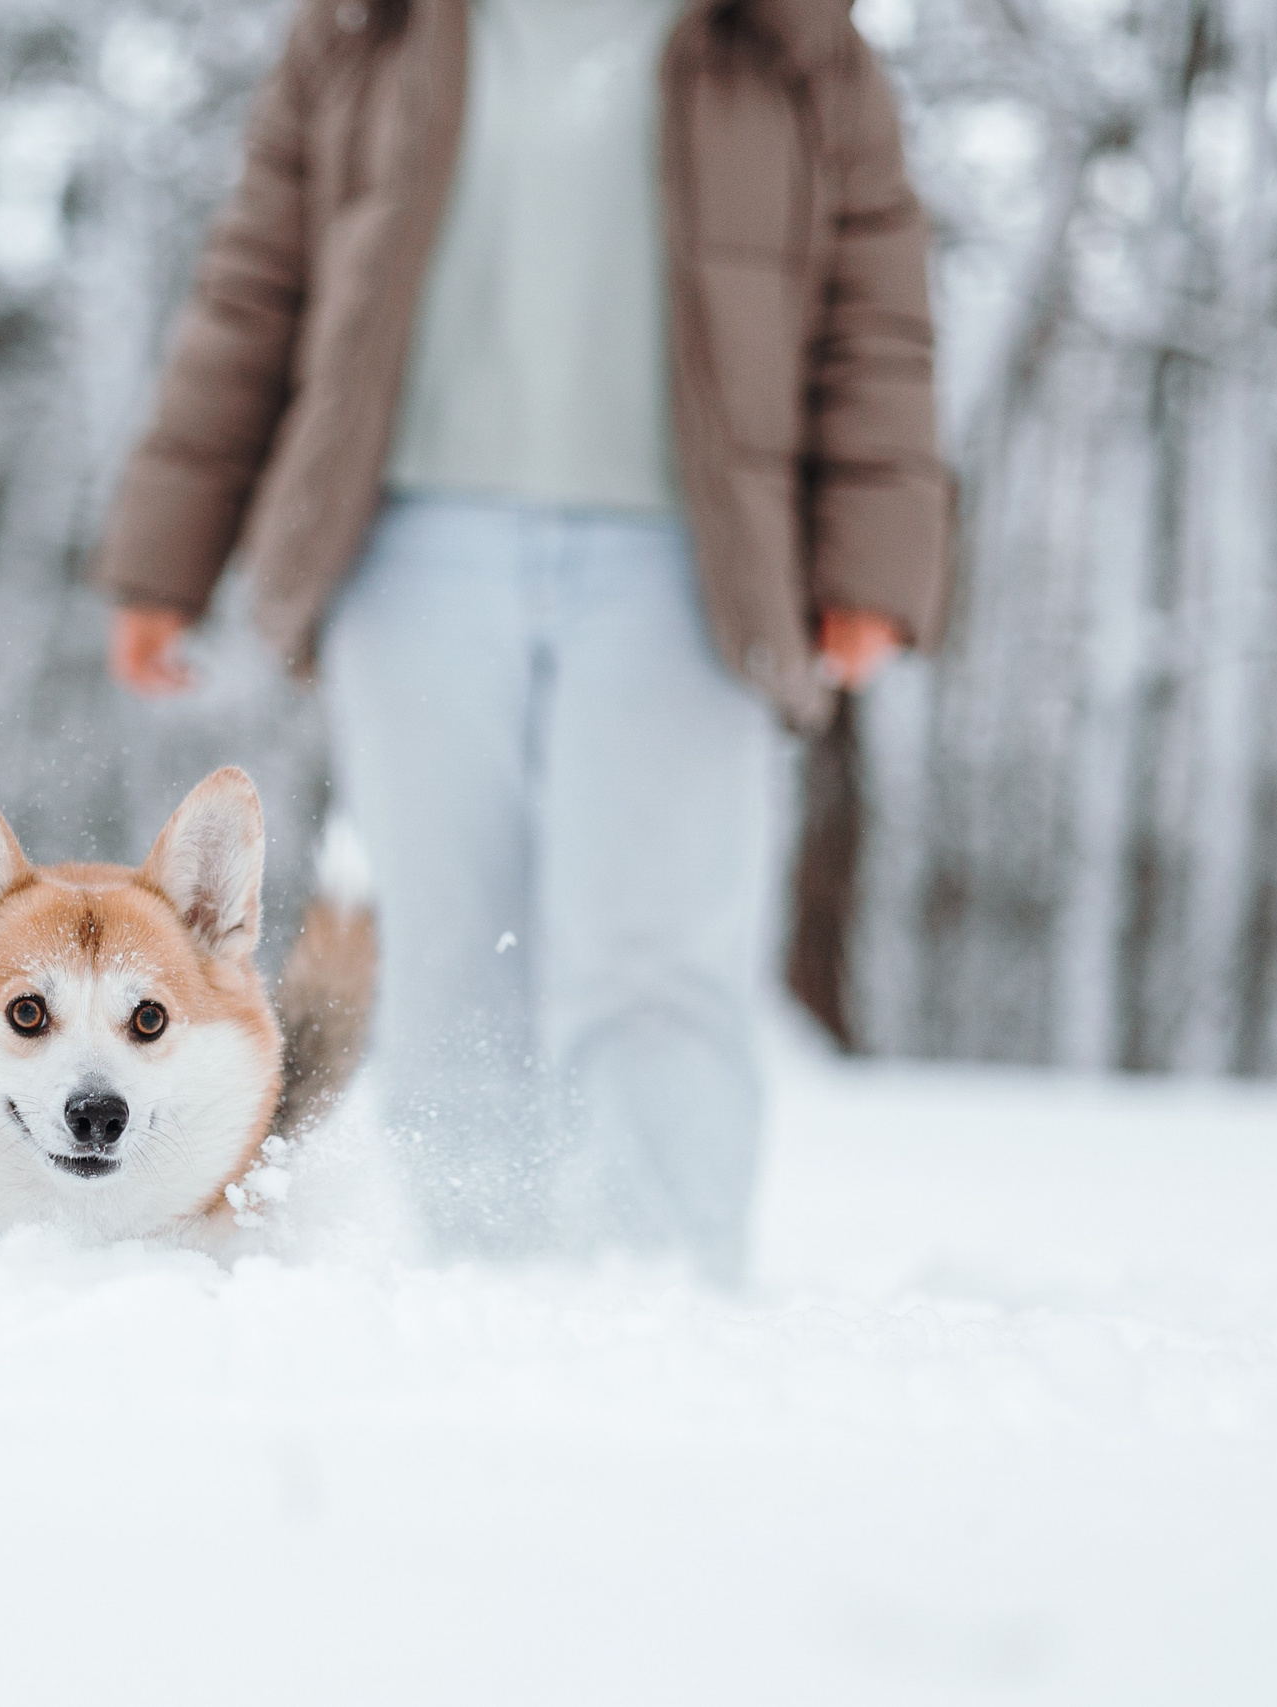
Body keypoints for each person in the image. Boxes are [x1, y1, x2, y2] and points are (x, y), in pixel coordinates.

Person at [93, 0, 950, 1281]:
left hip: (688, 562)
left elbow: (874, 296)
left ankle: (672, 1289)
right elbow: (256, 278)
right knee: (451, 942)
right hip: (412, 547)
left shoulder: (788, 37)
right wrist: (166, 553)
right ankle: (483, 1276)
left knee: (656, 949)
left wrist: (871, 558)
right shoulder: (363, 27)